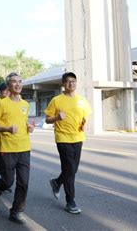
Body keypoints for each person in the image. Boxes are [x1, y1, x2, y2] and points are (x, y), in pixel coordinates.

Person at [0, 72, 35, 224]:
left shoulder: (25, 105)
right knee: (8, 181)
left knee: (24, 182)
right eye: (14, 81)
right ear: (9, 85)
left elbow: (23, 122)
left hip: (24, 147)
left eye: (20, 81)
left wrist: (29, 127)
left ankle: (16, 211)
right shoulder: (2, 103)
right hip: (7, 148)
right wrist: (7, 129)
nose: (18, 84)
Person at [45, 71, 92, 214]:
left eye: (73, 81)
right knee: (70, 170)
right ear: (63, 84)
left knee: (72, 169)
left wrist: (85, 124)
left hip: (78, 138)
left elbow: (85, 116)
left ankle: (57, 182)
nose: (71, 84)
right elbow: (47, 119)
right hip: (63, 138)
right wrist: (57, 118)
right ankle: (70, 201)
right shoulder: (56, 100)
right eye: (68, 81)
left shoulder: (82, 100)